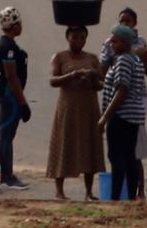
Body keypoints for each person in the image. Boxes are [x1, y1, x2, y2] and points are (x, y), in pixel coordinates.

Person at [45, 23, 105, 200]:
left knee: (89, 145)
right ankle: (59, 190)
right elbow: (53, 80)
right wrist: (72, 75)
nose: (78, 41)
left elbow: (101, 84)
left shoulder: (92, 58)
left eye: (82, 37)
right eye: (74, 37)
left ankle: (88, 191)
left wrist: (93, 77)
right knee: (64, 143)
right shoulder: (60, 57)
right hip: (68, 106)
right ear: (67, 37)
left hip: (88, 106)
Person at [97, 24, 147, 201]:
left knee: (117, 157)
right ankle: (130, 197)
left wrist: (105, 117)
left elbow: (122, 89)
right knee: (129, 157)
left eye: (115, 41)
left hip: (122, 115)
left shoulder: (124, 61)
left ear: (125, 43)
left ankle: (115, 197)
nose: (111, 44)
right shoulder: (135, 60)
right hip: (134, 116)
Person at [0, 6, 32, 190]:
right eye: (20, 23)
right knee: (6, 135)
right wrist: (23, 102)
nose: (22, 26)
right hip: (9, 95)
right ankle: (6, 178)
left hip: (9, 93)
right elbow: (11, 75)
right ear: (14, 26)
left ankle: (7, 175)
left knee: (7, 135)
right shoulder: (7, 46)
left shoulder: (7, 44)